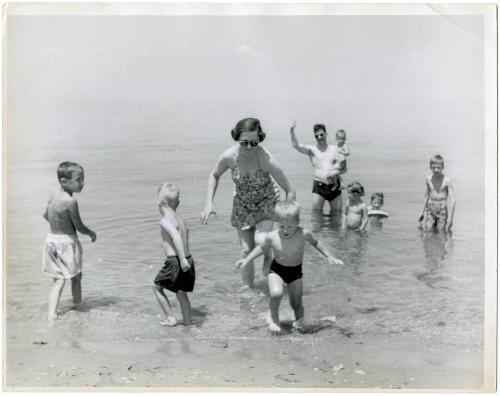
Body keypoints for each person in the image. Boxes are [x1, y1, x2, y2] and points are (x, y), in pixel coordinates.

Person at [199, 118, 296, 288]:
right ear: (236, 137)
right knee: (246, 250)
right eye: (245, 143)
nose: (250, 147)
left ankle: (270, 283)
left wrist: (287, 216)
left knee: (263, 243)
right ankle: (248, 289)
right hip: (242, 204)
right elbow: (214, 175)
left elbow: (289, 189)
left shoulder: (266, 159)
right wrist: (209, 203)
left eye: (254, 142)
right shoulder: (229, 157)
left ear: (260, 139)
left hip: (267, 200)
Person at [235, 201, 343, 334]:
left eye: (290, 226)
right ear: (276, 222)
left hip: (295, 272)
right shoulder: (272, 236)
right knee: (276, 293)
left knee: (296, 303)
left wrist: (329, 256)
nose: (285, 230)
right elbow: (261, 248)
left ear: (298, 221)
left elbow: (316, 242)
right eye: (282, 226)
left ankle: (300, 321)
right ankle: (274, 317)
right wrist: (246, 260)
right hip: (277, 270)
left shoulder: (304, 233)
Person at [42, 161, 96, 323]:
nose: (82, 183)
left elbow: (45, 215)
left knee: (58, 280)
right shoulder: (71, 201)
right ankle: (78, 306)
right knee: (76, 277)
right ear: (64, 182)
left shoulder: (53, 194)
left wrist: (59, 223)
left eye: (83, 179)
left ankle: (52, 314)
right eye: (79, 179)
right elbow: (79, 226)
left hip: (51, 240)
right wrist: (91, 233)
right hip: (67, 243)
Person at [153, 183, 195, 326]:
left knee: (156, 287)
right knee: (182, 293)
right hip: (189, 259)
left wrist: (181, 259)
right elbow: (185, 234)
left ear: (159, 203)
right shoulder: (181, 220)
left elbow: (176, 237)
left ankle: (170, 317)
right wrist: (186, 259)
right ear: (178, 203)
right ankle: (188, 322)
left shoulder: (165, 221)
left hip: (176, 261)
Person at [290, 121, 346, 215]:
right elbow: (296, 146)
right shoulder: (312, 150)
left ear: (326, 134)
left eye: (321, 134)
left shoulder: (335, 149)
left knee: (337, 217)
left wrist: (336, 173)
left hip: (334, 186)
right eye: (316, 136)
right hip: (319, 187)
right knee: (316, 217)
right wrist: (291, 131)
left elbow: (344, 168)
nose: (319, 137)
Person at [418, 154, 455, 231]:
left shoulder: (447, 180)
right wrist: (421, 212)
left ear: (443, 167)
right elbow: (426, 197)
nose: (436, 170)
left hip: (442, 210)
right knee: (428, 231)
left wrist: (450, 218)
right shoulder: (428, 179)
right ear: (430, 167)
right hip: (430, 209)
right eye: (433, 167)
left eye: (439, 168)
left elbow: (452, 200)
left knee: (441, 232)